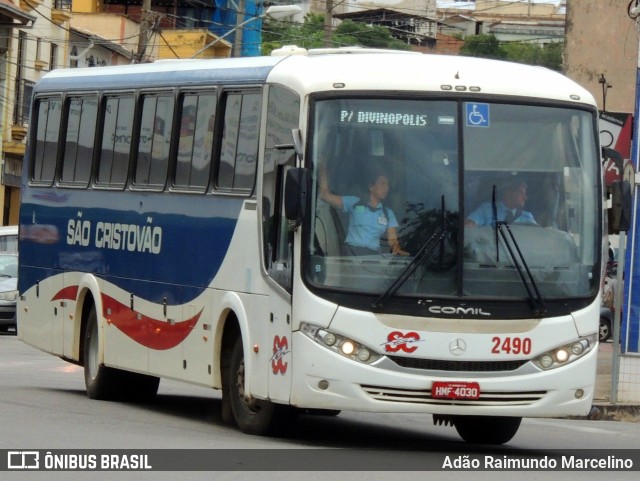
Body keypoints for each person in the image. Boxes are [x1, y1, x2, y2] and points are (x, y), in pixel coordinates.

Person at [319, 163, 408, 256]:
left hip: (372, 257)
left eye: (388, 185)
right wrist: (322, 167)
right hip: (350, 254)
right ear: (371, 187)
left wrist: (397, 249)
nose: (386, 188)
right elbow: (325, 196)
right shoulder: (354, 203)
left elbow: (393, 240)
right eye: (382, 184)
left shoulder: (388, 213)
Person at [465, 177, 537, 227]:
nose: (525, 197)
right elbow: (468, 225)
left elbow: (538, 236)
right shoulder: (486, 209)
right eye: (521, 193)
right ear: (508, 193)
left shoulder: (527, 218)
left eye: (525, 194)